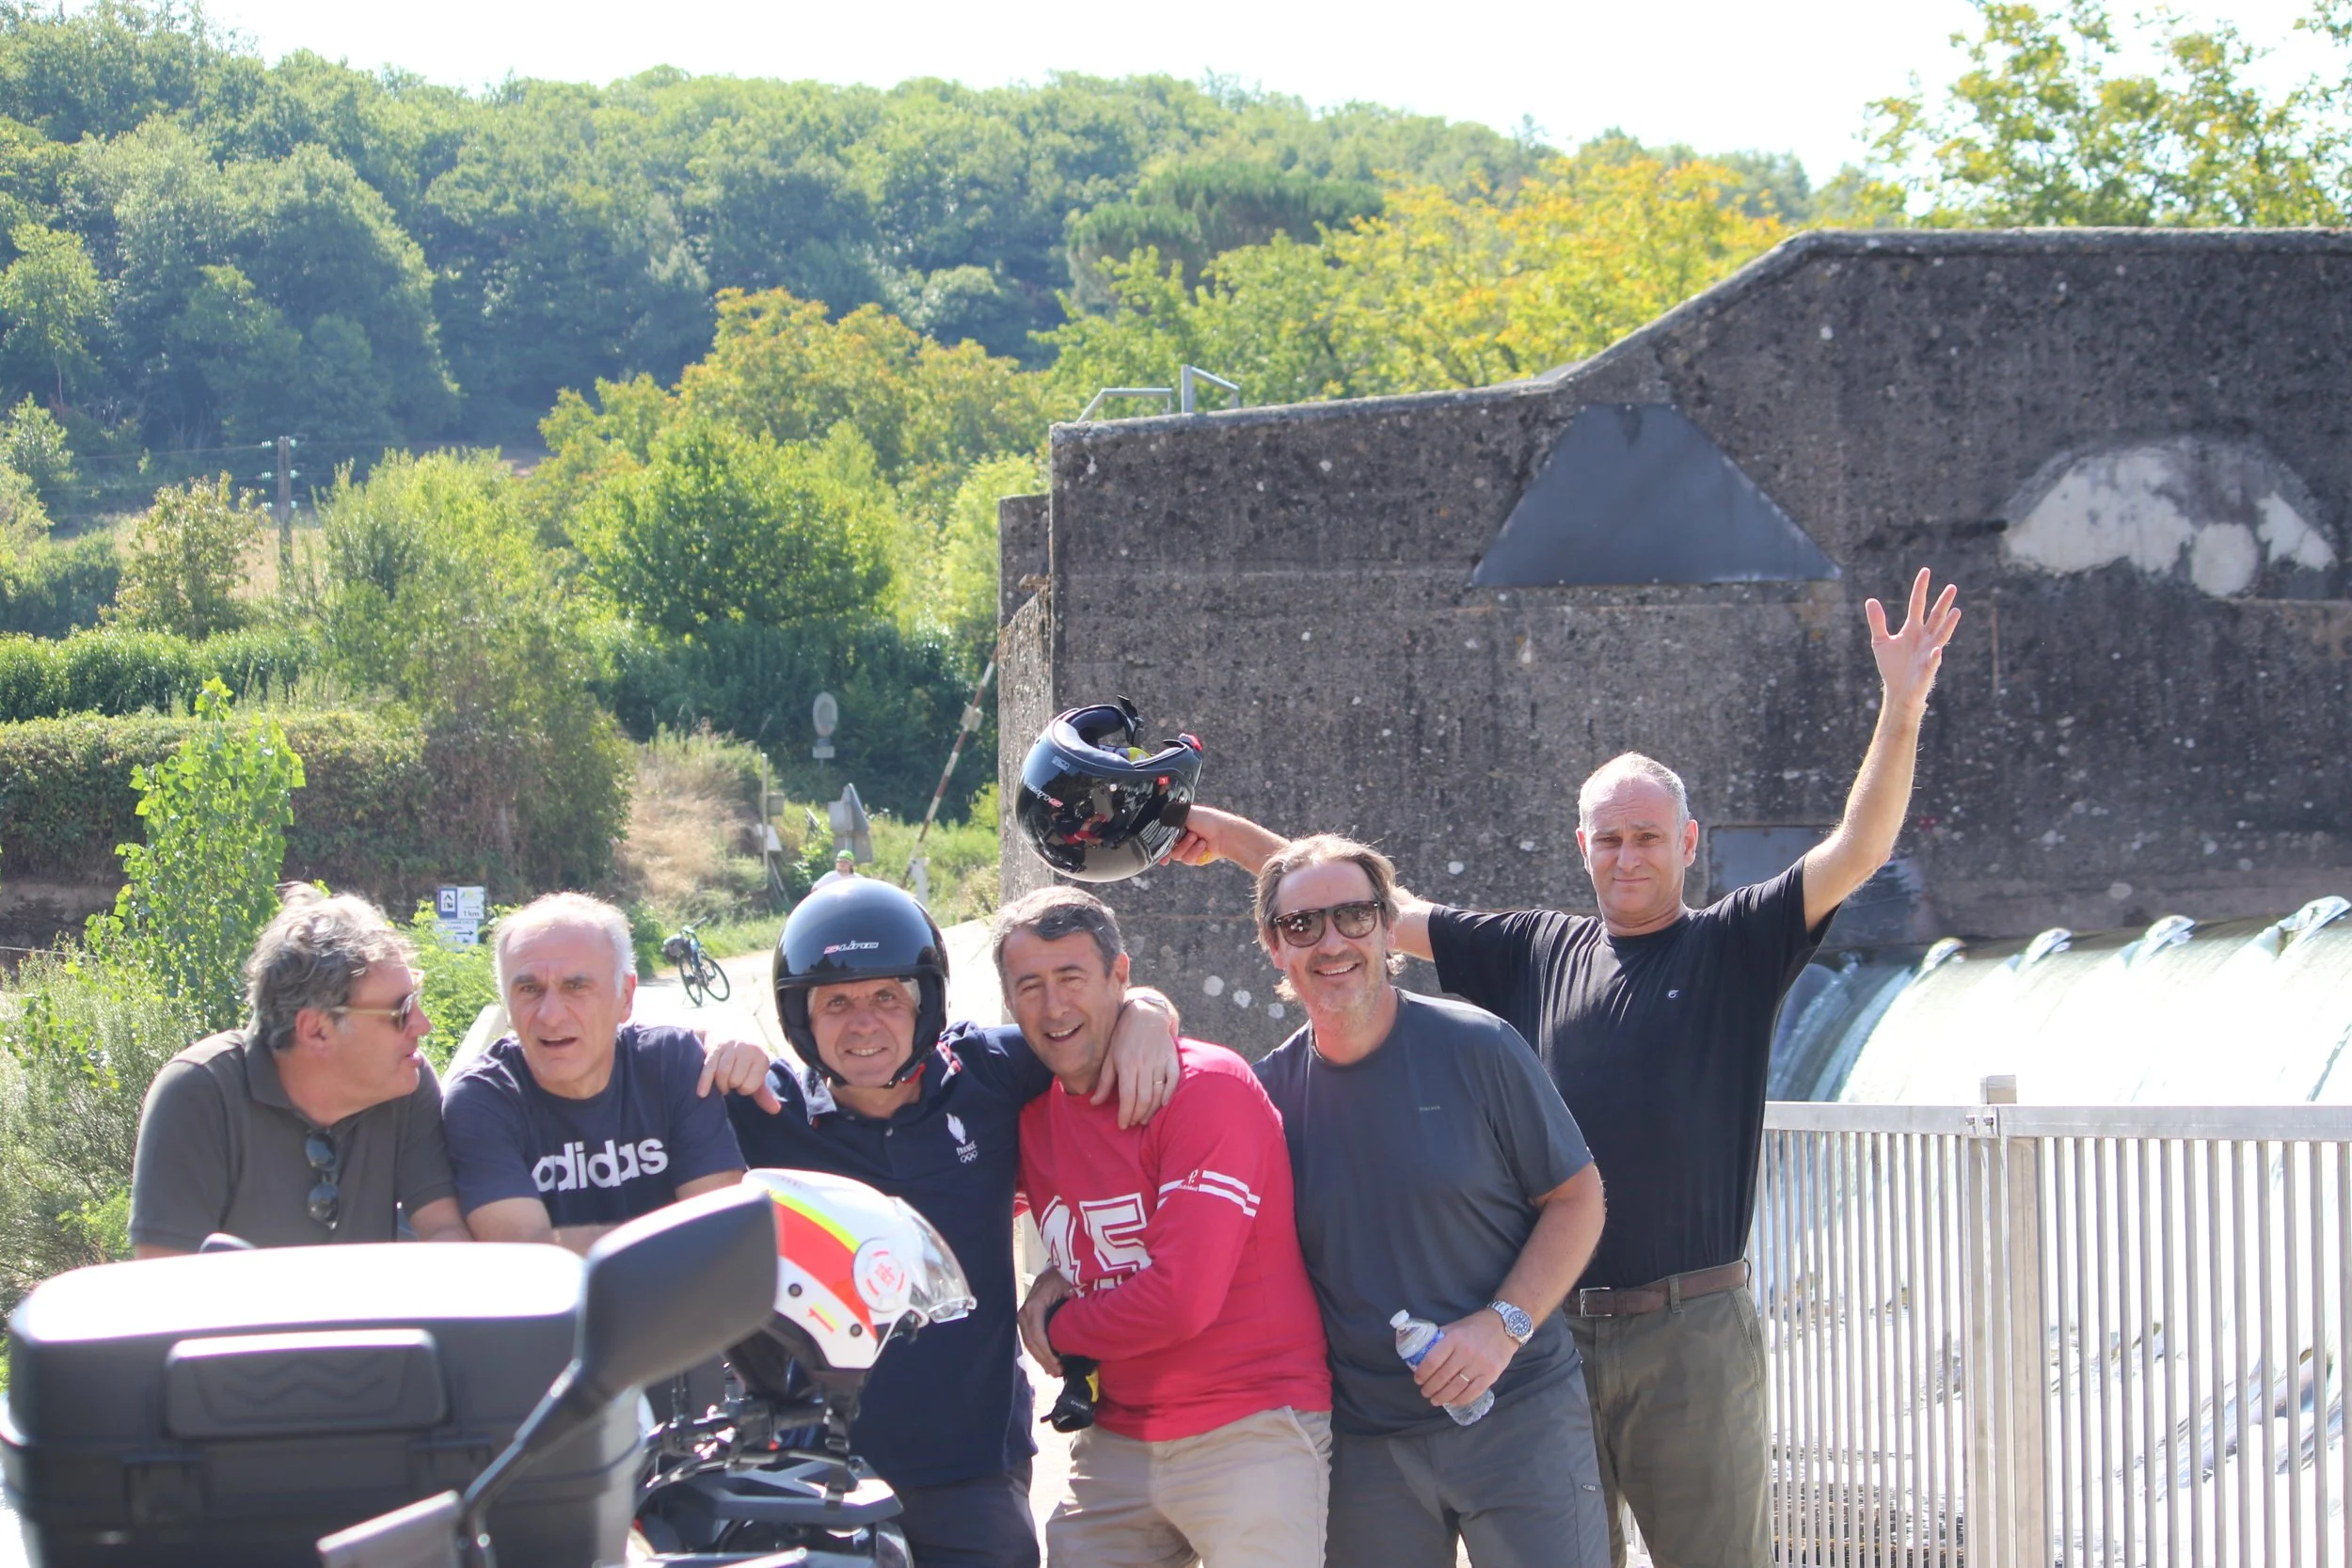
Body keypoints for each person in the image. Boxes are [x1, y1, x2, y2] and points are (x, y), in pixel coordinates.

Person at [1175, 568, 1963, 1568]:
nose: (1627, 856)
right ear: (1579, 845)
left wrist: (1901, 705)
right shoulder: (1535, 947)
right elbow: (1362, 904)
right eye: (1608, 838)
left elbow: (1858, 846)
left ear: (1685, 843)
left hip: (1690, 1332)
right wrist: (1233, 836)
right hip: (1543, 1337)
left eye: (1646, 837)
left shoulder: (1736, 941)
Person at [701, 876, 1183, 1568]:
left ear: (925, 1001)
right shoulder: (761, 1108)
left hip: (970, 1464)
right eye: (837, 1001)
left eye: (887, 998)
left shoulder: (987, 1072)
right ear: (799, 1014)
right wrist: (713, 1040)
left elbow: (1082, 1024)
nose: (864, 1022)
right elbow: (632, 1072)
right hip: (810, 1462)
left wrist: (1143, 1008)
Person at [1239, 834, 1609, 1568]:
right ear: (1273, 945)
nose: (1332, 941)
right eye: (1303, 925)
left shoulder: (1480, 1047)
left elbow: (1578, 1197)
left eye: (1353, 915)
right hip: (1365, 1446)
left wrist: (1501, 1327)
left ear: (1386, 924)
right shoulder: (1261, 1099)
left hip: (1520, 1414)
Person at [1000, 886, 1330, 1568]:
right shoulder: (1027, 1111)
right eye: (1029, 986)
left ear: (1121, 975)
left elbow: (1182, 1298)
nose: (1053, 1006)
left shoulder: (1205, 1088)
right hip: (1117, 1433)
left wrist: (1055, 1327)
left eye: (1072, 978)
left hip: (1251, 1423)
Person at [130, 887, 469, 1256]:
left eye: (415, 1000)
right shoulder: (198, 1092)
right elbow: (163, 1278)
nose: (423, 1024)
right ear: (316, 1030)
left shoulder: (405, 1084)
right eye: (401, 1010)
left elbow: (444, 1231)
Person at [442, 892, 746, 1251]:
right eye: (529, 989)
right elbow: (526, 1253)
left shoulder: (673, 1064)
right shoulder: (483, 1099)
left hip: (681, 1306)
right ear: (506, 1004)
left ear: (626, 997)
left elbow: (718, 1232)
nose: (550, 1015)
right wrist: (674, 1239)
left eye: (577, 987)